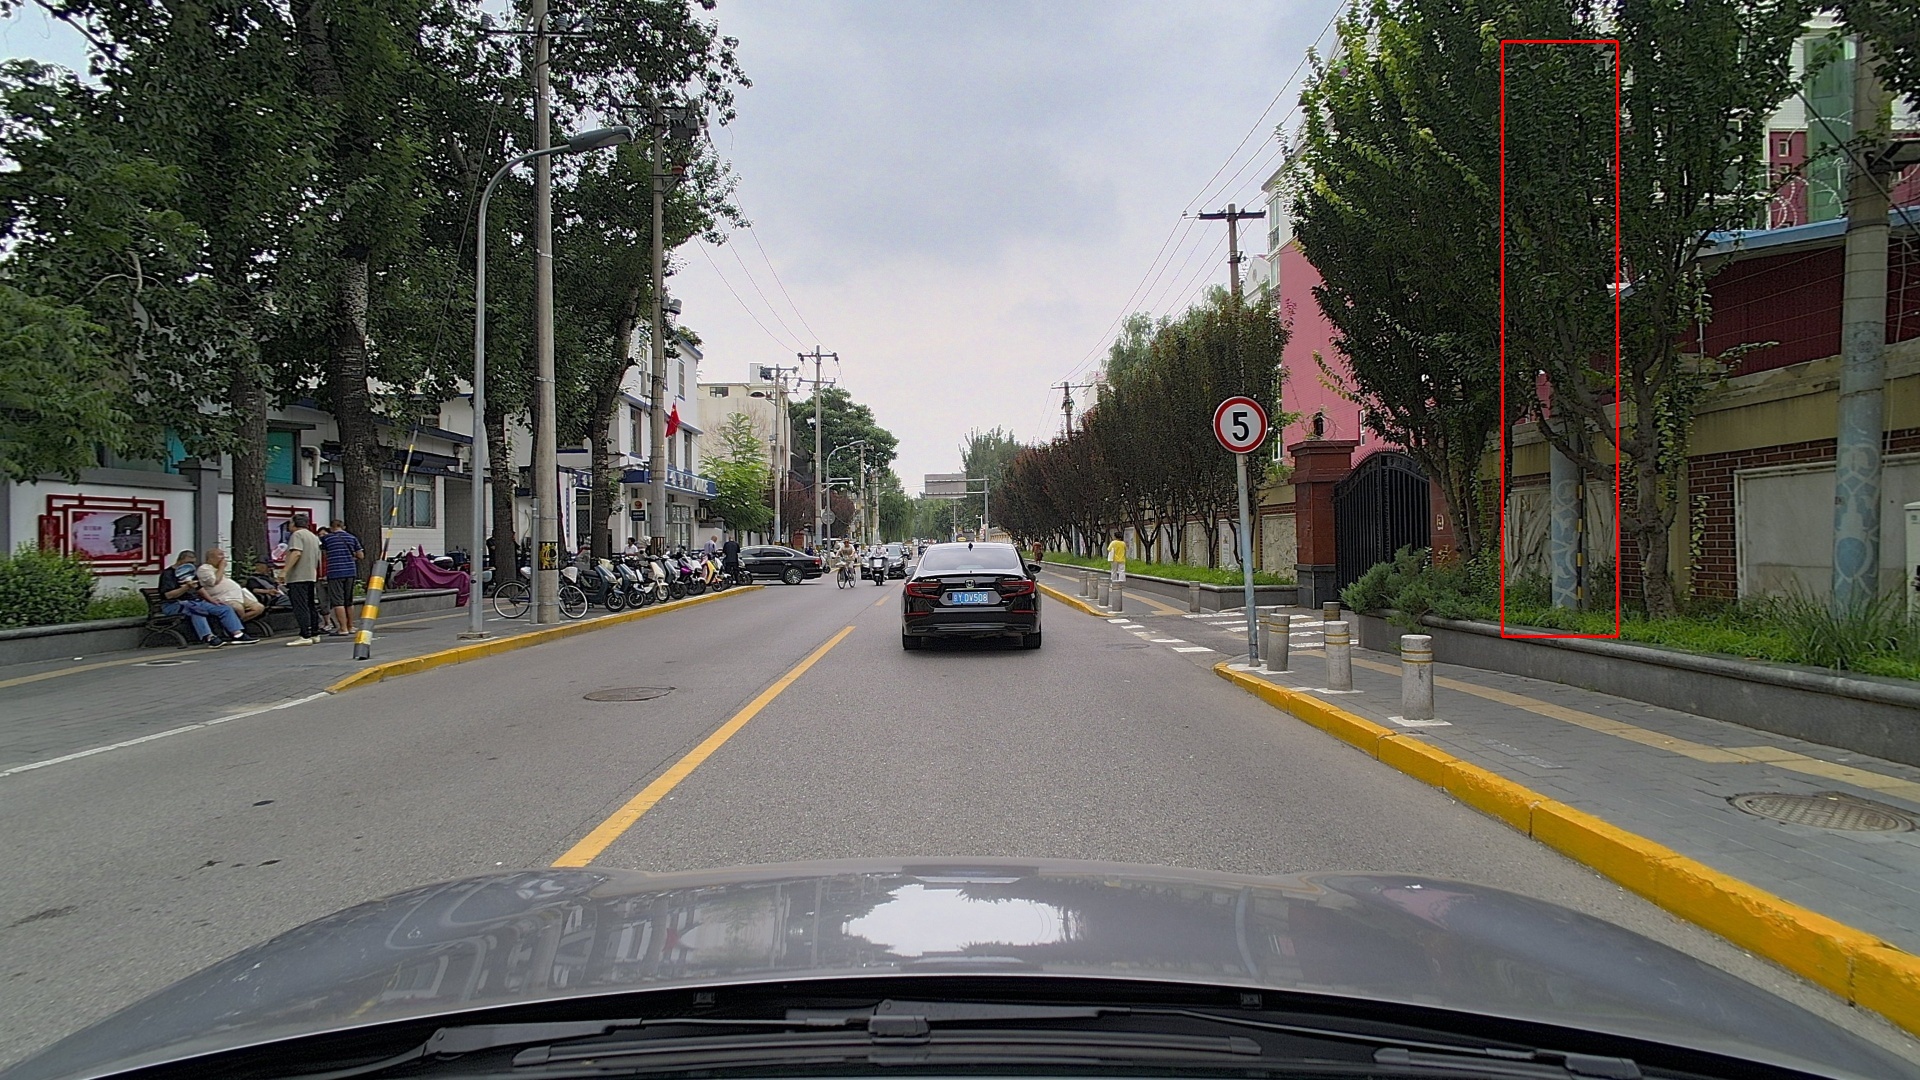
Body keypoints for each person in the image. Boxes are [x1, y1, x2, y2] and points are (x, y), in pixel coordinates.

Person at [158, 550, 257, 648]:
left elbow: (199, 588)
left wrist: (211, 600)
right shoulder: (168, 574)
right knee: (197, 611)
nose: (190, 565)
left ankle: (237, 634)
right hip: (174, 604)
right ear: (180, 560)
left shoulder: (190, 572)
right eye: (188, 562)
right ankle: (209, 637)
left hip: (195, 602)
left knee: (224, 608)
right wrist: (186, 587)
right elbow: (168, 595)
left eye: (193, 563)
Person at [278, 514, 323, 645]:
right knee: (310, 604)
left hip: (298, 576)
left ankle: (305, 635)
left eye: (290, 522)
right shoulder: (313, 536)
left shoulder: (297, 535)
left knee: (300, 606)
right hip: (310, 574)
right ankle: (314, 632)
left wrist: (284, 571)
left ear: (294, 524)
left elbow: (296, 552)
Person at [196, 547, 265, 623]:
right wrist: (221, 567)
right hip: (223, 597)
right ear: (211, 558)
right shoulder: (204, 568)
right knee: (238, 609)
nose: (223, 558)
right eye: (220, 555)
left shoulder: (218, 569)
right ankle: (235, 625)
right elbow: (214, 581)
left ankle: (237, 623)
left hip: (237, 596)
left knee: (259, 607)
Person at [320, 519, 364, 636]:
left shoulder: (327, 539)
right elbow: (360, 555)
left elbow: (324, 553)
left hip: (335, 572)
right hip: (350, 571)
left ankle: (343, 628)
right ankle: (351, 626)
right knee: (348, 601)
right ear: (343, 527)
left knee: (338, 602)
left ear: (331, 527)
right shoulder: (352, 538)